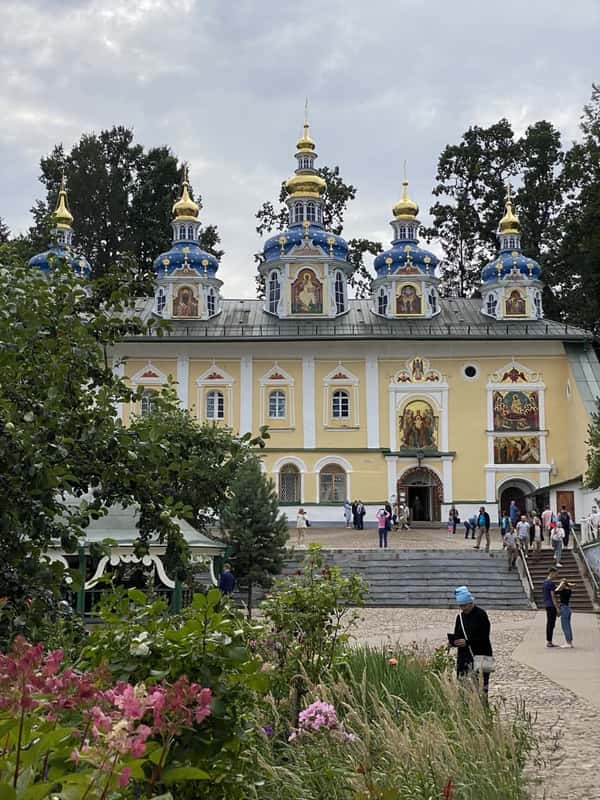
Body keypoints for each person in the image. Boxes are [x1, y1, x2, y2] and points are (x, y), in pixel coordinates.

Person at [451, 586, 493, 697]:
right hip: (464, 656)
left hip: (482, 655)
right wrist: (454, 641)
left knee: (482, 690)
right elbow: (457, 634)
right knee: (464, 689)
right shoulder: (460, 617)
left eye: (465, 605)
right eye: (461, 606)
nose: (463, 608)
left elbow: (484, 637)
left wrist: (468, 642)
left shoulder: (481, 614)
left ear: (471, 602)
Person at [543, 567, 560, 647]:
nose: (557, 575)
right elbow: (553, 596)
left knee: (549, 623)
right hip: (551, 605)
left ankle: (549, 640)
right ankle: (549, 641)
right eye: (556, 573)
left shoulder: (545, 582)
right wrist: (557, 608)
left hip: (547, 604)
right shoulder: (550, 583)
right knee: (551, 623)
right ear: (552, 573)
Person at [556, 579, 575, 648]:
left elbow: (555, 591)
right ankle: (570, 642)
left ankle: (568, 643)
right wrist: (567, 583)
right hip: (567, 609)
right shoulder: (569, 590)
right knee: (568, 626)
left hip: (564, 609)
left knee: (565, 626)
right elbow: (572, 585)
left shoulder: (563, 591)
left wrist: (561, 585)